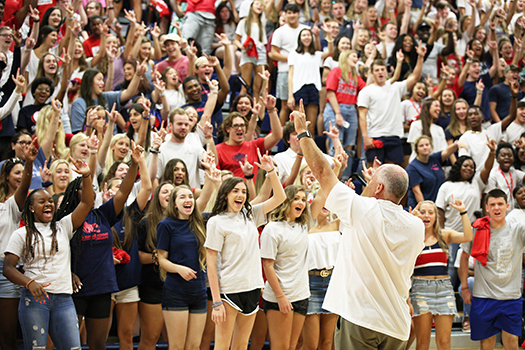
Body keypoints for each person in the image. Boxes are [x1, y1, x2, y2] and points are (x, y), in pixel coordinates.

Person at [290, 101, 425, 349]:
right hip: (397, 325)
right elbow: (368, 215)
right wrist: (374, 182)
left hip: (361, 320)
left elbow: (322, 171)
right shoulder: (417, 226)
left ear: (380, 188)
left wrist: (302, 132)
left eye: (373, 182)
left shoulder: (363, 210)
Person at [3, 154, 94, 350]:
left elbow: (86, 204)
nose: (48, 204)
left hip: (64, 298)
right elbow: (8, 268)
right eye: (42, 201)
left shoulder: (63, 226)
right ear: (31, 208)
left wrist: (86, 176)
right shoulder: (21, 234)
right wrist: (29, 282)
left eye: (50, 201)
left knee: (73, 348)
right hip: (35, 299)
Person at [205, 151, 286, 350]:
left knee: (241, 346)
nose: (241, 195)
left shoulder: (250, 214)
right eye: (235, 191)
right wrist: (216, 302)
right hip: (229, 291)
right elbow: (211, 264)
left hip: (252, 287)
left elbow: (280, 198)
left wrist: (271, 172)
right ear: (225, 194)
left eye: (243, 191)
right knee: (222, 346)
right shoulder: (216, 222)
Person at [261, 184, 325, 350]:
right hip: (280, 295)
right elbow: (267, 265)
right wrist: (280, 296)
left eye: (303, 199)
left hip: (301, 294)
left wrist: (337, 167)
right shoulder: (272, 229)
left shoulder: (304, 225)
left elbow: (322, 195)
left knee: (293, 346)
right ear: (286, 201)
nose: (301, 203)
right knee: (280, 347)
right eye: (296, 199)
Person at [459, 189, 525, 350]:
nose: (497, 208)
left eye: (500, 204)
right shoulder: (477, 229)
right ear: (487, 208)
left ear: (507, 206)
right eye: (493, 204)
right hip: (484, 296)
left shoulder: (518, 229)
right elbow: (464, 257)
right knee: (486, 344)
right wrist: (465, 287)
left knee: (511, 342)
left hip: (511, 296)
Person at [409, 199, 473, 350]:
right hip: (420, 289)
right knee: (422, 343)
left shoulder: (445, 234)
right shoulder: (413, 237)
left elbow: (468, 236)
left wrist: (463, 211)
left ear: (436, 217)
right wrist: (410, 222)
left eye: (430, 213)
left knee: (444, 343)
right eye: (423, 212)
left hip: (444, 289)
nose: (426, 215)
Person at [357, 41, 426, 167]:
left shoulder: (395, 87)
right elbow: (362, 116)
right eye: (377, 70)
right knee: (372, 174)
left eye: (382, 69)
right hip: (375, 136)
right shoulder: (366, 91)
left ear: (387, 72)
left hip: (394, 136)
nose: (380, 72)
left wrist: (420, 57)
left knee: (393, 174)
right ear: (372, 73)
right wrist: (365, 138)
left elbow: (415, 77)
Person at [0, 145, 36, 350]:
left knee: (7, 333)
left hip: (7, 270)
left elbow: (24, 187)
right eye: (17, 173)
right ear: (5, 177)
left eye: (23, 173)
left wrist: (29, 162)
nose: (21, 176)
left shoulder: (14, 204)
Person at [406, 135, 467, 209]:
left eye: (427, 145)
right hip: (421, 206)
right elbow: (417, 192)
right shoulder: (412, 167)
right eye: (421, 146)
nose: (425, 147)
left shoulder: (434, 158)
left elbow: (447, 151)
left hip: (437, 204)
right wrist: (425, 209)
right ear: (416, 149)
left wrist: (456, 144)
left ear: (431, 146)